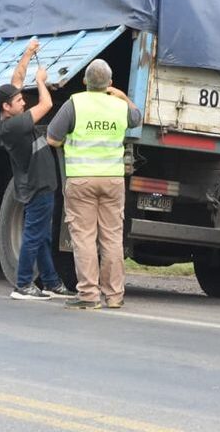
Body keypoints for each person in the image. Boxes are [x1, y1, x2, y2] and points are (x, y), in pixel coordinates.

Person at [46, 59, 142, 309]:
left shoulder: (75, 103)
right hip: (112, 180)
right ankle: (114, 296)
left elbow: (52, 139)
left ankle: (89, 295)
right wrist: (122, 95)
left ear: (85, 81)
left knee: (85, 238)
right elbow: (137, 118)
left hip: (82, 179)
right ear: (110, 83)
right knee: (111, 238)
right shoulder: (120, 106)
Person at [0, 38, 73, 301]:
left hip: (36, 183)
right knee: (34, 234)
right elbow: (47, 105)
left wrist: (28, 53)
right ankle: (23, 284)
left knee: (40, 235)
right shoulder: (14, 126)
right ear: (7, 107)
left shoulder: (7, 117)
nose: (23, 102)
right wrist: (41, 81)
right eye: (18, 101)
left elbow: (17, 78)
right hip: (37, 184)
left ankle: (51, 282)